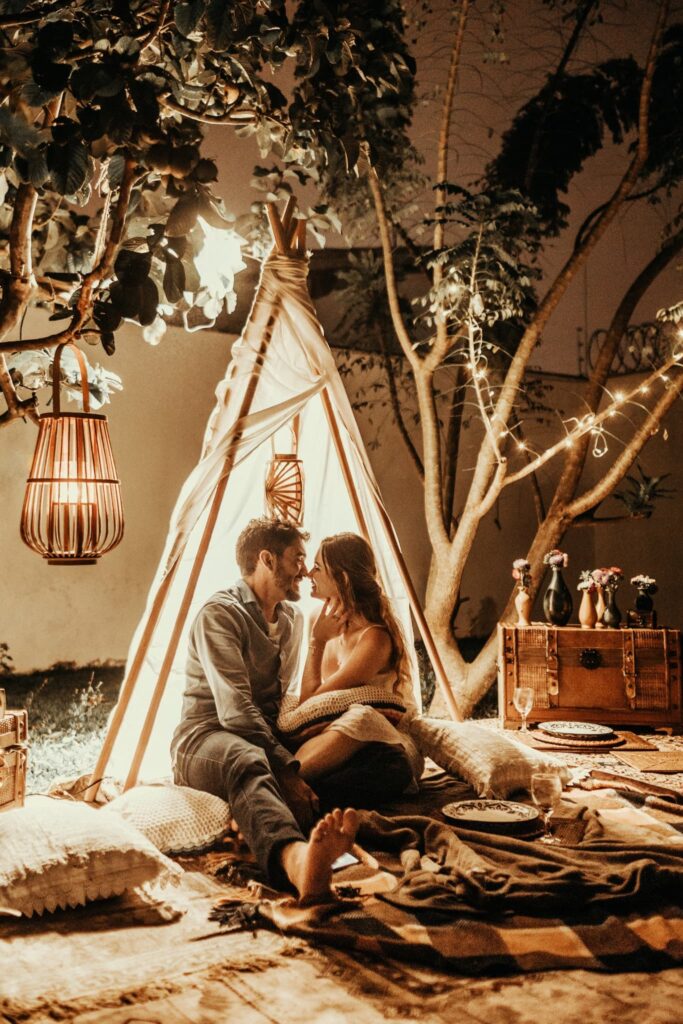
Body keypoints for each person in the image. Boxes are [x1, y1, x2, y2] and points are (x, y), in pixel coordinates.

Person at [171, 517, 359, 902]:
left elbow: (275, 703)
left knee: (364, 754)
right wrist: (287, 769)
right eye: (297, 559)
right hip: (204, 737)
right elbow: (235, 712)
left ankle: (343, 832)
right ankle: (298, 861)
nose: (305, 571)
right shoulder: (220, 615)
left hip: (260, 734)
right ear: (267, 560)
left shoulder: (290, 620)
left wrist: (310, 728)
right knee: (249, 759)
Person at [286, 533, 423, 791]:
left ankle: (291, 782)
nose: (309, 574)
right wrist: (319, 636)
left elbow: (310, 701)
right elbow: (309, 710)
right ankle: (297, 783)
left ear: (342, 578)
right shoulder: (318, 617)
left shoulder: (374, 638)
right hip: (331, 738)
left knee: (363, 719)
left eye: (318, 568)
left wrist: (318, 641)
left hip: (384, 744)